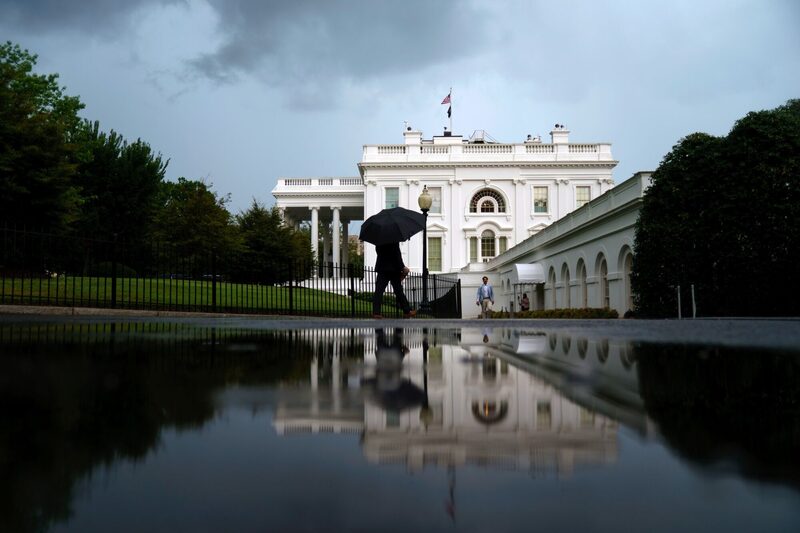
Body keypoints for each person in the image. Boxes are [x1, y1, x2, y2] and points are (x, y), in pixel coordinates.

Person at [372, 242, 416, 318]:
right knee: (399, 291)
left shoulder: (379, 240)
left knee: (379, 291)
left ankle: (376, 313)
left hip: (382, 268)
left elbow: (378, 252)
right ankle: (407, 311)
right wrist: (402, 267)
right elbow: (397, 255)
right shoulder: (394, 240)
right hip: (394, 269)